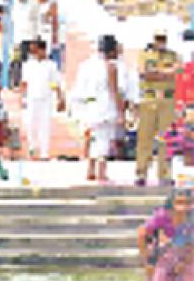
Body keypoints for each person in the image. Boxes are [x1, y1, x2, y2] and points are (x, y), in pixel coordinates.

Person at [75, 34, 134, 183]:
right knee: (104, 139)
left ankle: (90, 169)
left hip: (89, 105)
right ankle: (101, 171)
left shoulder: (86, 65)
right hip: (105, 105)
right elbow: (115, 90)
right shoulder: (111, 67)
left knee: (93, 137)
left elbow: (79, 89)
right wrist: (121, 112)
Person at [137, 31, 180, 186]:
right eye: (158, 38)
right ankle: (141, 172)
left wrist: (157, 73)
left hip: (167, 99)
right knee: (145, 137)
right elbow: (144, 73)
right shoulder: (144, 55)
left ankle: (165, 174)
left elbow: (175, 71)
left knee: (167, 139)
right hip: (149, 98)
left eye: (163, 38)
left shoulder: (173, 55)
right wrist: (164, 73)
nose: (161, 41)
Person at [139, 189, 194, 281]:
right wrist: (147, 261)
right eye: (179, 202)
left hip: (187, 252)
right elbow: (142, 234)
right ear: (171, 204)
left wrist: (184, 262)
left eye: (188, 202)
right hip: (164, 253)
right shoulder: (162, 216)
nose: (183, 207)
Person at [19, 39, 65, 161]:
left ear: (42, 50)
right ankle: (32, 148)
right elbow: (24, 83)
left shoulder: (51, 66)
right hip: (31, 98)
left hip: (45, 99)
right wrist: (22, 97)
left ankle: (44, 152)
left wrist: (60, 98)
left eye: (36, 50)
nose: (34, 53)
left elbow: (55, 83)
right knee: (30, 124)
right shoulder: (28, 65)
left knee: (44, 126)